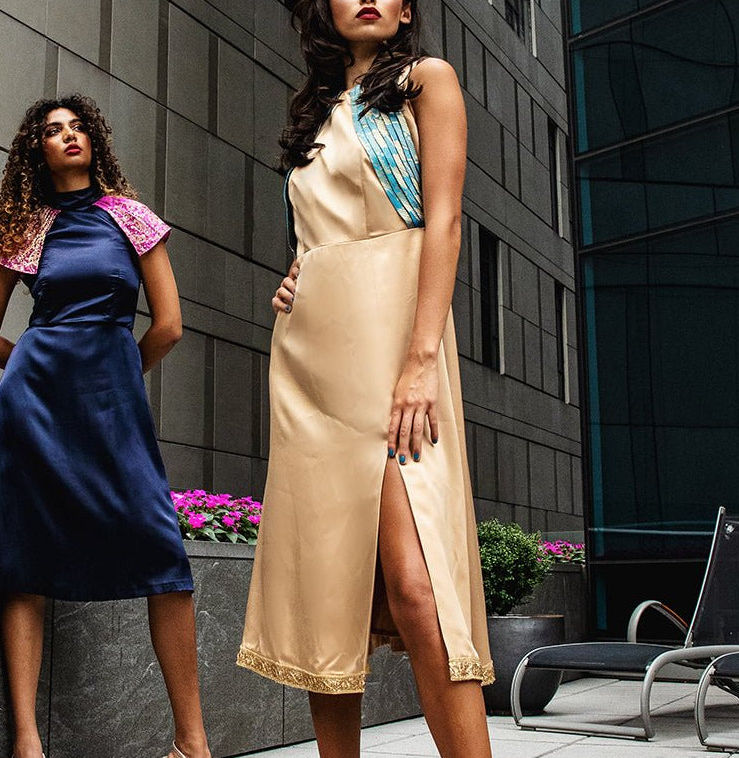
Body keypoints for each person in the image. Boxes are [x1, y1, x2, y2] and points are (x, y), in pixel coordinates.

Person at [238, 2, 495, 756]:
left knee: (418, 589)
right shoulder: (313, 111)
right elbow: (316, 236)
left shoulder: (425, 82)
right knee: (331, 584)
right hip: (312, 362)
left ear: (408, 9)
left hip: (396, 346)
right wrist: (295, 280)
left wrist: (420, 361)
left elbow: (440, 224)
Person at [0, 94, 211, 758]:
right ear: (36, 149)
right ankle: (29, 744)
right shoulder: (22, 227)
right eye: (51, 131)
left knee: (164, 554)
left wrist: (115, 374)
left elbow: (169, 325)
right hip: (33, 409)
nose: (67, 137)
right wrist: (43, 374)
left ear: (94, 140)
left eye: (76, 128)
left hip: (111, 409)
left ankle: (192, 743)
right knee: (25, 562)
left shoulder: (131, 218)